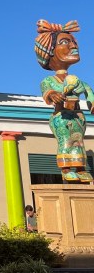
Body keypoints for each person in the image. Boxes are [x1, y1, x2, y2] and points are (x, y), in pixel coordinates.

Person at [35, 20, 94, 182]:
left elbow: (88, 90)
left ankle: (81, 168)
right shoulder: (49, 80)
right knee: (66, 141)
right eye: (64, 42)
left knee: (79, 142)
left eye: (73, 42)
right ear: (49, 52)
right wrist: (54, 95)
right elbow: (48, 91)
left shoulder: (77, 80)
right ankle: (66, 168)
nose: (74, 46)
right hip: (61, 118)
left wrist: (91, 101)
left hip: (77, 117)